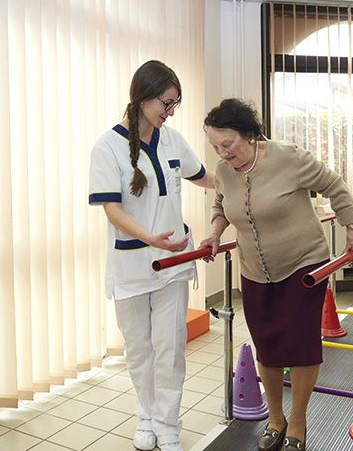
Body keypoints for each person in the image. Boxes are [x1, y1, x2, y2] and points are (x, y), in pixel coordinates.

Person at [199, 98, 353, 451]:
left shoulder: (287, 158)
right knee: (269, 347)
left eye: (227, 144)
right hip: (254, 271)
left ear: (248, 134)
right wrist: (215, 233)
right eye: (216, 146)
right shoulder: (226, 171)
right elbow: (220, 204)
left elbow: (334, 185)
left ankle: (299, 422)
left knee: (302, 346)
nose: (222, 153)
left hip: (303, 266)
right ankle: (275, 419)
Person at [88, 60, 214, 451]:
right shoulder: (107, 148)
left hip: (174, 266)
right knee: (139, 350)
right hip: (131, 265)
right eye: (166, 102)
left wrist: (246, 176)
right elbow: (112, 210)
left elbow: (205, 177)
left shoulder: (173, 140)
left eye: (175, 104)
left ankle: (168, 424)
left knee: (171, 348)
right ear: (143, 95)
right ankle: (146, 417)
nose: (170, 111)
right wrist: (151, 239)